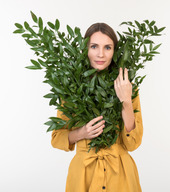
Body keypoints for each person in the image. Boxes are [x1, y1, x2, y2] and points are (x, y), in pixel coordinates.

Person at [51, 23, 143, 192]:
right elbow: (57, 138)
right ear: (85, 49)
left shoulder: (127, 87)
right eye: (94, 46)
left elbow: (132, 144)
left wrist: (126, 101)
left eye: (108, 47)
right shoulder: (71, 88)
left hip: (121, 176)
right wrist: (81, 133)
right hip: (83, 176)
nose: (101, 54)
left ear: (115, 52)